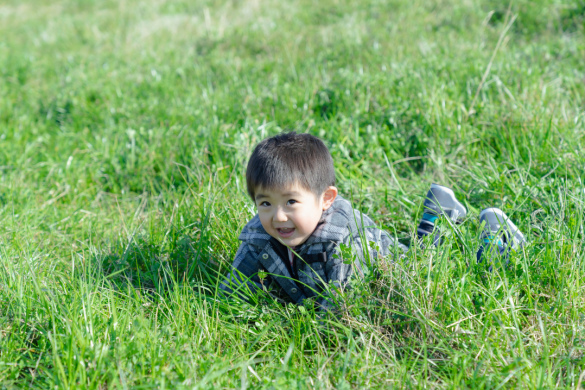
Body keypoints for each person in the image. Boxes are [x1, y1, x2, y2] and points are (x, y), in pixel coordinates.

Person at [220, 132, 526, 310]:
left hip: (393, 266)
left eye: (291, 202)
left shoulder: (341, 243)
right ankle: (437, 213)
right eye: (265, 203)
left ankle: (495, 238)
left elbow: (340, 312)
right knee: (424, 251)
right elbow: (230, 296)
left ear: (326, 199)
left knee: (434, 265)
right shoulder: (258, 239)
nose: (278, 216)